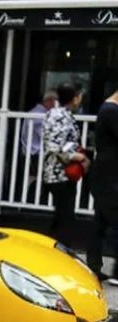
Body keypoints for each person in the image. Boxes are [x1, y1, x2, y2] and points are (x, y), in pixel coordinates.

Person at [42, 83, 89, 246]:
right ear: (74, 98)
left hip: (61, 174)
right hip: (59, 174)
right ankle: (60, 251)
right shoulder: (59, 116)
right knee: (65, 218)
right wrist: (79, 158)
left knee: (61, 216)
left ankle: (52, 248)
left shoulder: (59, 114)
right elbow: (56, 146)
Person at [87, 85, 118, 284]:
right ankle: (114, 270)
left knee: (100, 223)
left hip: (106, 176)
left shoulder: (108, 110)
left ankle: (94, 266)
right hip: (109, 177)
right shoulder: (111, 111)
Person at [21, 90, 58, 186]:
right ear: (50, 101)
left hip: (33, 155)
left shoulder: (36, 112)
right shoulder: (40, 115)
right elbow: (48, 136)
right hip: (36, 156)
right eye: (56, 101)